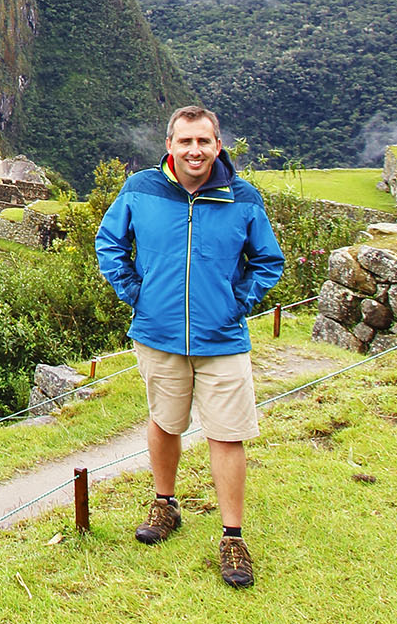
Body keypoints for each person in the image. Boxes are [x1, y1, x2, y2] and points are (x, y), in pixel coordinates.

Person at [96, 106, 284, 589]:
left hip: (221, 338)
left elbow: (267, 260)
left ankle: (233, 536)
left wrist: (237, 303)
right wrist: (136, 294)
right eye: (185, 141)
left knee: (227, 433)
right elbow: (109, 243)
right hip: (158, 334)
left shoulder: (242, 197)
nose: (194, 150)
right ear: (170, 146)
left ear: (217, 146)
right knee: (165, 421)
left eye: (203, 141)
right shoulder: (141, 189)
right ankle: (165, 504)